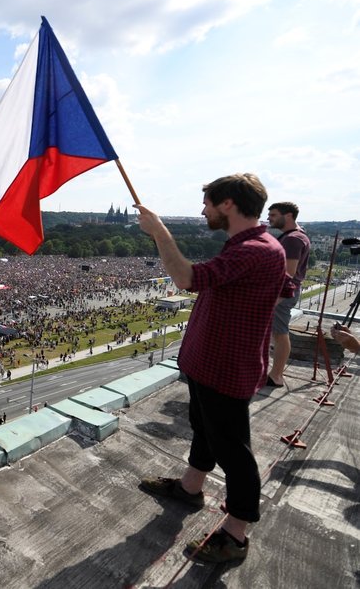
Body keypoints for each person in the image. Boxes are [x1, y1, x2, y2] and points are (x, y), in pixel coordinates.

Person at [135, 173, 287, 564]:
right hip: (210, 361)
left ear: (227, 205)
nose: (203, 211)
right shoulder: (254, 246)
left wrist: (160, 233)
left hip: (226, 365)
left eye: (207, 203)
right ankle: (191, 488)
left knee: (234, 452)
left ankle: (235, 535)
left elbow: (187, 278)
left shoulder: (255, 248)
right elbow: (280, 285)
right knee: (204, 428)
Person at [266, 201, 311, 387]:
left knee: (280, 333)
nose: (269, 218)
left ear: (289, 215)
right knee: (276, 333)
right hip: (286, 292)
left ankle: (276, 375)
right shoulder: (299, 235)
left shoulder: (292, 239)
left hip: (283, 294)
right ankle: (273, 372)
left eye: (273, 215)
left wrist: (275, 298)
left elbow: (288, 273)